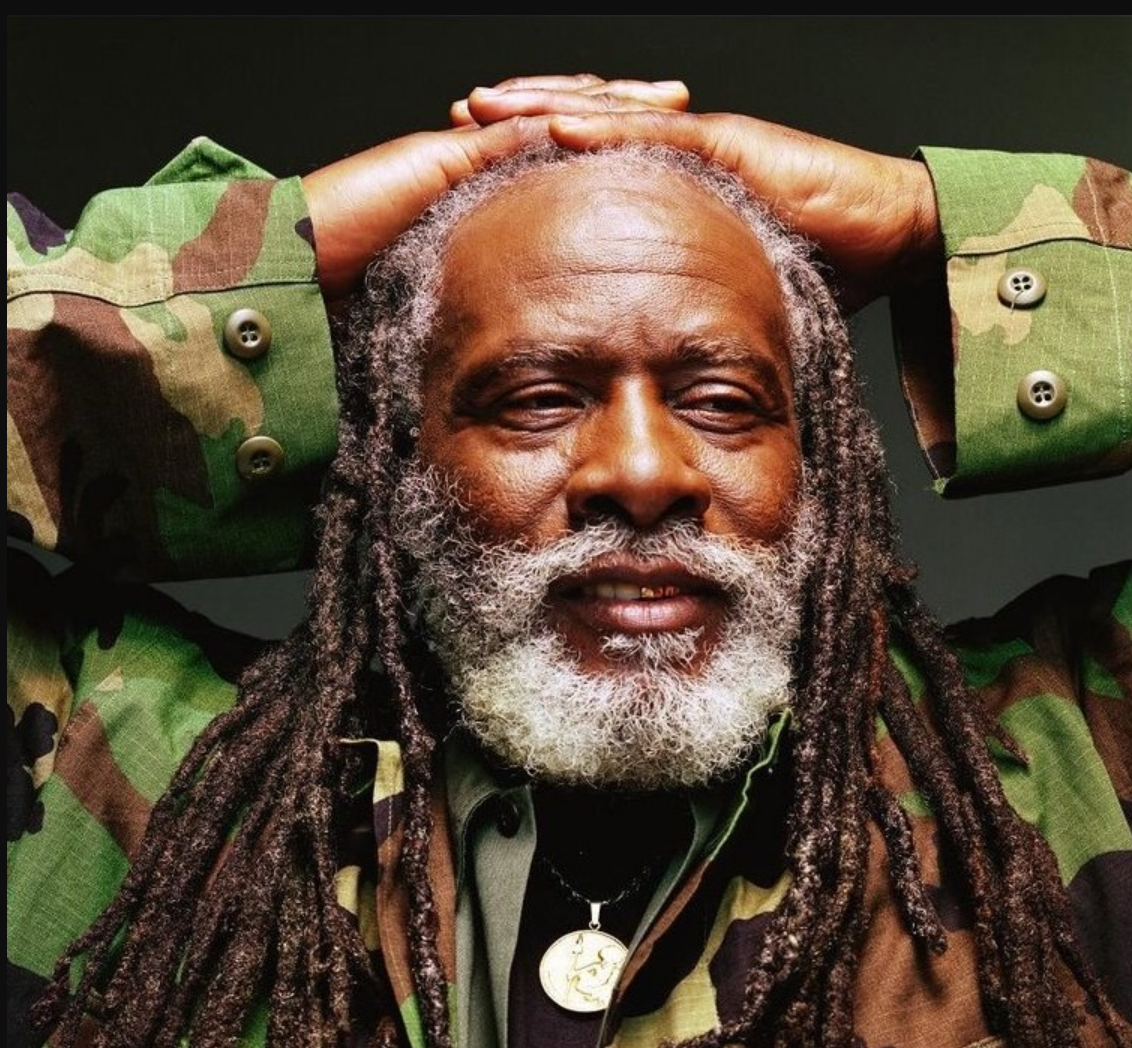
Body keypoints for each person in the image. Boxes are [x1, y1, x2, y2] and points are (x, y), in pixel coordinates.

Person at [7, 75, 1130, 1048]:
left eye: (723, 402)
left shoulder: (1070, 765)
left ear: (818, 456)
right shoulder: (105, 758)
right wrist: (264, 262)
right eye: (538, 399)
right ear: (399, 455)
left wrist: (927, 220)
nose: (641, 473)